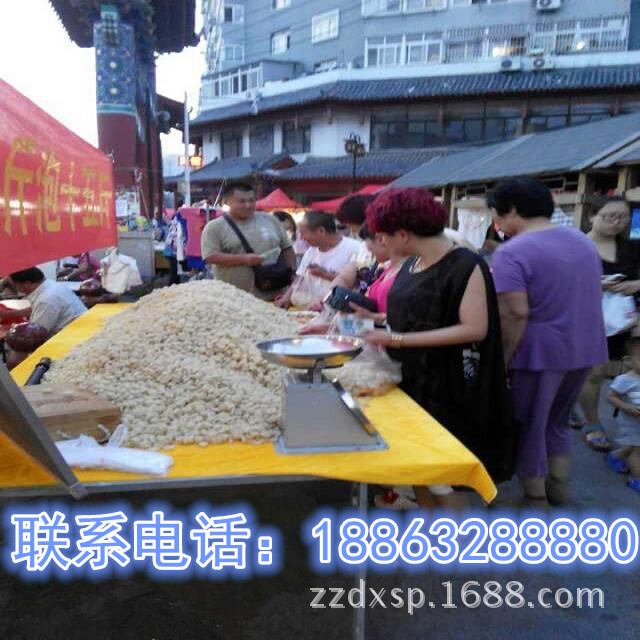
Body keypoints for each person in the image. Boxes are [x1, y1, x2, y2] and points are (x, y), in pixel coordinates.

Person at [364, 188, 516, 508]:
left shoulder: (465, 265)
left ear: (403, 234)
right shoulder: (412, 264)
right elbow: (412, 315)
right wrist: (372, 323)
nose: (382, 242)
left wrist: (398, 340)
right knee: (422, 467)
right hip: (413, 381)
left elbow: (474, 329)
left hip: (450, 386)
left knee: (446, 476)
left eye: (383, 236)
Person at [489, 178, 608, 507]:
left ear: (512, 210)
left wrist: (502, 359)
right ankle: (559, 489)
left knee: (530, 425)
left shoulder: (511, 252)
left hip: (538, 353)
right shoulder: (582, 241)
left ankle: (535, 499)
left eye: (496, 213)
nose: (495, 221)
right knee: (557, 422)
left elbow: (515, 313)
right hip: (584, 346)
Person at [579, 197, 640, 451]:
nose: (616, 222)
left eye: (622, 217)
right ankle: (592, 423)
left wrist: (636, 285)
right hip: (585, 318)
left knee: (628, 370)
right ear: (592, 216)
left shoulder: (633, 248)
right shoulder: (577, 246)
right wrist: (595, 284)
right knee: (593, 373)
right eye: (609, 216)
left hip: (626, 320)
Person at [201, 182, 296, 299]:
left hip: (274, 296)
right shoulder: (214, 227)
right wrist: (244, 259)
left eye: (251, 200)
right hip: (233, 298)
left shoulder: (270, 220)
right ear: (227, 202)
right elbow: (210, 256)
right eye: (242, 201)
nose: (248, 205)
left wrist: (293, 272)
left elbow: (287, 248)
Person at [276, 210, 360, 309]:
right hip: (311, 308)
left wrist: (325, 275)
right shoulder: (311, 251)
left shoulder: (354, 249)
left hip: (338, 309)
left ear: (321, 231)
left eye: (303, 233)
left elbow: (358, 284)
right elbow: (299, 278)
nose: (301, 238)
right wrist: (286, 298)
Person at [607, 338, 640, 494]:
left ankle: (615, 456)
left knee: (632, 447)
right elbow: (611, 396)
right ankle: (636, 478)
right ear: (629, 361)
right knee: (637, 450)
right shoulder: (625, 380)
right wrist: (626, 407)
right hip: (631, 422)